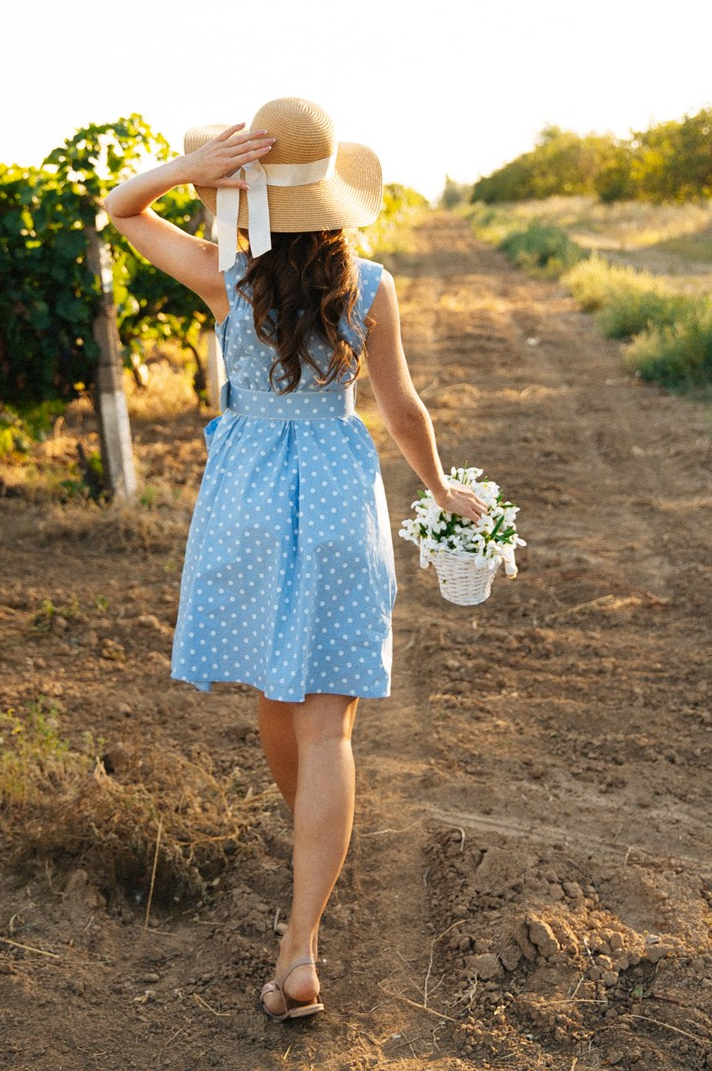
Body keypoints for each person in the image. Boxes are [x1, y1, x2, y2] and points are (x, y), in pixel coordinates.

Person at [103, 96, 485, 1022]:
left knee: (281, 703)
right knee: (330, 733)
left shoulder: (226, 280)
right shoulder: (375, 286)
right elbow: (400, 407)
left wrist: (189, 175)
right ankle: (302, 944)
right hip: (337, 498)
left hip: (247, 503)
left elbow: (120, 209)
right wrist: (439, 490)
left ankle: (308, 858)